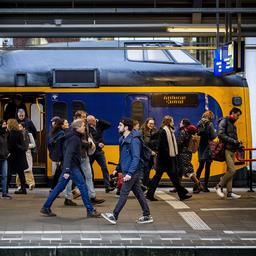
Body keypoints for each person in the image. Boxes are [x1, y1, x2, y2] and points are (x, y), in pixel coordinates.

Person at [40, 119, 101, 217]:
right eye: (82, 126)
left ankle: (46, 207)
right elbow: (69, 153)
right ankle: (90, 211)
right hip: (71, 167)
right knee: (82, 186)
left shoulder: (74, 135)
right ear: (77, 127)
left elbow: (80, 144)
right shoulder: (74, 138)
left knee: (59, 187)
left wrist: (90, 144)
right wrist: (67, 170)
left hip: (69, 166)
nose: (84, 128)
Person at [101, 118, 153, 224]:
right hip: (127, 171)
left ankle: (114, 215)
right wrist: (117, 169)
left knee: (123, 193)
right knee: (139, 193)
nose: (118, 127)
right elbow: (122, 157)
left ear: (126, 127)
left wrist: (130, 173)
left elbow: (136, 158)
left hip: (132, 171)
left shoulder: (134, 140)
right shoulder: (122, 139)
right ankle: (147, 215)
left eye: (120, 125)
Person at [146, 115, 192, 201]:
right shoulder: (163, 131)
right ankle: (150, 194)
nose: (173, 123)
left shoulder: (169, 131)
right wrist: (167, 154)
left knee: (173, 177)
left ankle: (182, 193)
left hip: (167, 159)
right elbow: (161, 146)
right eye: (172, 121)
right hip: (164, 160)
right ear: (168, 122)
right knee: (161, 177)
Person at [72, 110, 105, 205]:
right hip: (76, 155)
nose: (85, 117)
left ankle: (92, 196)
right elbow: (78, 141)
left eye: (86, 116)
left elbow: (88, 136)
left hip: (84, 154)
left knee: (89, 176)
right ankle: (68, 196)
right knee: (69, 178)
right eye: (83, 116)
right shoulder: (74, 126)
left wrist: (93, 143)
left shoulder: (85, 125)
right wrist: (90, 144)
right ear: (78, 117)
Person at [215, 107, 243, 199]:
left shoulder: (233, 125)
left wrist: (238, 143)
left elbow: (234, 139)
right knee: (232, 170)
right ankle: (219, 186)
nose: (238, 117)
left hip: (232, 150)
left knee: (229, 172)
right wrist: (234, 141)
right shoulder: (225, 121)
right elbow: (221, 134)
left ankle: (229, 193)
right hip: (226, 149)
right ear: (233, 113)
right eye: (237, 115)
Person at [87, 115, 114, 193]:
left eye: (94, 121)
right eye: (92, 121)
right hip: (91, 151)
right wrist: (97, 143)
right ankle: (91, 186)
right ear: (89, 122)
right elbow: (88, 139)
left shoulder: (99, 125)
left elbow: (108, 124)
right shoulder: (87, 128)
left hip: (99, 151)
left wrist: (98, 120)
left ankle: (107, 186)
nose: (94, 123)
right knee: (90, 169)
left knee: (104, 167)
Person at [176, 118, 203, 193]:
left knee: (187, 170)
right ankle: (177, 187)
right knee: (180, 171)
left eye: (181, 122)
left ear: (184, 124)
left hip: (182, 153)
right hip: (188, 153)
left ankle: (198, 184)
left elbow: (180, 142)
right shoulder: (191, 132)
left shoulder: (183, 131)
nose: (180, 124)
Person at [196, 111, 217, 192]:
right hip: (208, 147)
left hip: (200, 147)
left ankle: (196, 185)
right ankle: (205, 187)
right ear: (210, 117)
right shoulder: (210, 124)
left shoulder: (199, 123)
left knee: (200, 167)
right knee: (207, 167)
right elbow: (213, 136)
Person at [7, 119, 28, 194]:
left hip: (13, 156)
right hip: (20, 156)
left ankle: (5, 188)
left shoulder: (10, 134)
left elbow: (10, 147)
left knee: (8, 173)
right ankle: (23, 189)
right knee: (21, 173)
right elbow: (22, 145)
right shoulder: (20, 133)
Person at [16, 122, 36, 190]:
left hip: (27, 153)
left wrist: (26, 146)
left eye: (20, 127)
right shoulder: (17, 135)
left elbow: (33, 144)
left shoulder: (29, 134)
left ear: (24, 127)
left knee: (28, 169)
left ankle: (31, 183)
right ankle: (19, 184)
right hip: (19, 153)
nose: (19, 128)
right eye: (18, 126)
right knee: (19, 169)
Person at [140, 117, 158, 188]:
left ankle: (145, 186)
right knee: (145, 171)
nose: (152, 125)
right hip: (144, 154)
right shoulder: (142, 131)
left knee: (148, 171)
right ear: (146, 123)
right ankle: (144, 186)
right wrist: (150, 151)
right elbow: (142, 144)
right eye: (150, 123)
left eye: (153, 124)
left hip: (152, 155)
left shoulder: (155, 130)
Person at [0, 120, 12, 199]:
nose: (5, 126)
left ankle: (4, 193)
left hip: (4, 158)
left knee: (5, 175)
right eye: (4, 124)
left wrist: (8, 153)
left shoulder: (6, 134)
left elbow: (7, 145)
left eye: (6, 124)